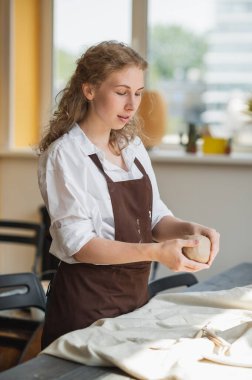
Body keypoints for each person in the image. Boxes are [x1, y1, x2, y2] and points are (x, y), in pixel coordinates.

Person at [37, 41, 220, 349]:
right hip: (86, 308)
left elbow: (155, 216)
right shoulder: (65, 155)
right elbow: (80, 245)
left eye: (138, 93)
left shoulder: (132, 148)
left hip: (134, 302)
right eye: (121, 92)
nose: (132, 105)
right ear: (90, 90)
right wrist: (155, 252)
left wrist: (189, 230)